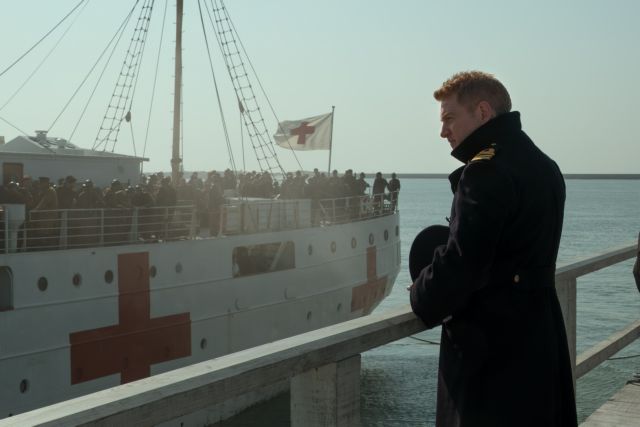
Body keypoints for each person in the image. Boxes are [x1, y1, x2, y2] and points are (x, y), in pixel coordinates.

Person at [409, 71, 577, 426]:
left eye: (449, 118)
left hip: (492, 355)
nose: (443, 131)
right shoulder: (544, 165)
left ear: (483, 112)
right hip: (539, 338)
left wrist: (420, 291)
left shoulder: (484, 171)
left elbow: (462, 264)